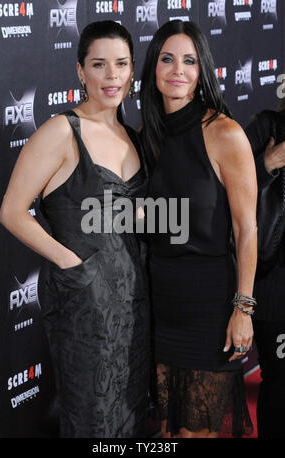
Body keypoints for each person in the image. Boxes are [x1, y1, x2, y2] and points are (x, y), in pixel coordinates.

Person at [0, 20, 150, 438]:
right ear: (81, 72)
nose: (112, 75)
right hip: (84, 306)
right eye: (99, 65)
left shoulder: (131, 136)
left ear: (132, 70)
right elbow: (11, 211)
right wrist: (73, 263)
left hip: (135, 303)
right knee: (92, 418)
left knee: (134, 416)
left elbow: (128, 217)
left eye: (121, 64)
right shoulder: (61, 131)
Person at [140, 20, 257, 438]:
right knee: (168, 433)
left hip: (209, 308)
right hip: (159, 306)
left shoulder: (225, 133)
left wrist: (243, 309)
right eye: (167, 58)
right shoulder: (147, 138)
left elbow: (246, 229)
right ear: (153, 67)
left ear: (202, 68)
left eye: (189, 60)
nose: (177, 69)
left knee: (196, 433)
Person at [245, 98, 285, 438]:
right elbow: (222, 192)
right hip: (275, 290)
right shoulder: (267, 127)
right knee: (281, 387)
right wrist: (267, 164)